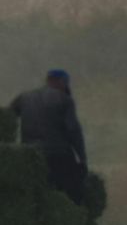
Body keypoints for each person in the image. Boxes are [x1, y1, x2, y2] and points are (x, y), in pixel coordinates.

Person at [11, 69, 87, 204]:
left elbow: (7, 118)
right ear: (62, 82)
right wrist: (82, 159)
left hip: (29, 153)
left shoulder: (23, 97)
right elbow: (73, 130)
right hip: (57, 154)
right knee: (73, 192)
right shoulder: (65, 100)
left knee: (34, 195)